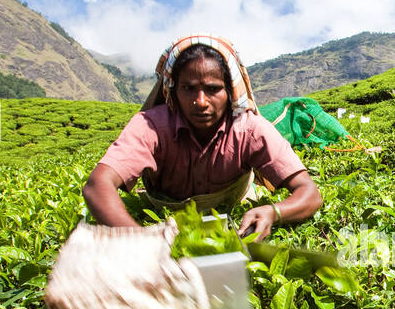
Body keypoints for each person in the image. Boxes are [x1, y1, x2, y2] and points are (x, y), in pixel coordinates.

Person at [83, 34, 322, 238]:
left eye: (213, 89)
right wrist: (139, 240)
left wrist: (273, 212)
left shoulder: (250, 129)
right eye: (188, 88)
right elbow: (98, 185)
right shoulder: (151, 126)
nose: (200, 102)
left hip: (233, 207)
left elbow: (308, 193)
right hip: (165, 214)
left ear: (230, 91)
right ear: (173, 90)